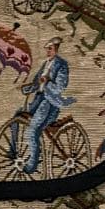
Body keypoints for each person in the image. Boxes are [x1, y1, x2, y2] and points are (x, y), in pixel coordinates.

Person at [9, 38, 75, 174]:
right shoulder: (46, 64)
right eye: (47, 49)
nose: (48, 51)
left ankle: (32, 165)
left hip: (49, 103)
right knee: (17, 116)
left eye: (50, 49)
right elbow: (36, 84)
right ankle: (13, 150)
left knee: (33, 131)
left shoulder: (61, 65)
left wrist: (48, 81)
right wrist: (24, 88)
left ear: (56, 49)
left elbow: (60, 88)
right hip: (38, 100)